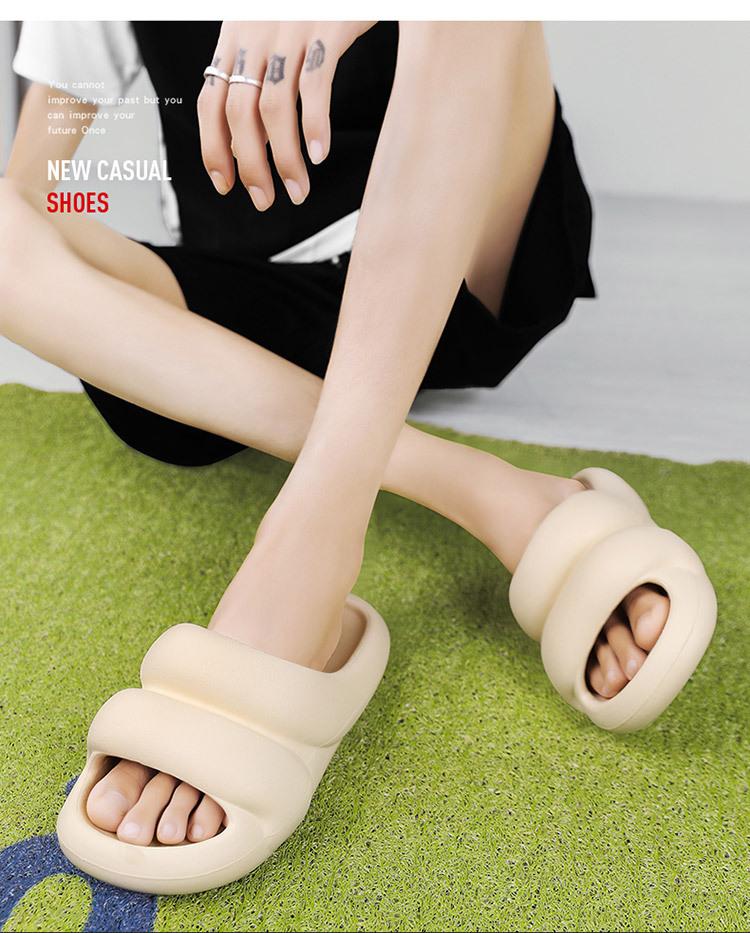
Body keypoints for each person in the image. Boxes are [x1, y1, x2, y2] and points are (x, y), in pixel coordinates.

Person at [2, 21, 671, 851]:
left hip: (476, 250)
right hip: (264, 313)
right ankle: (488, 492)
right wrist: (85, 261)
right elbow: (29, 195)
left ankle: (305, 553)